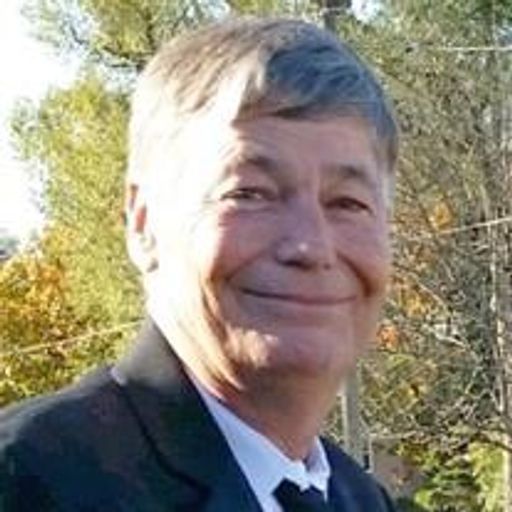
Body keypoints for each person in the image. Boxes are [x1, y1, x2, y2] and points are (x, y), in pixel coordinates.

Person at [0, 16, 398, 511]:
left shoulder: (361, 499)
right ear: (144, 223)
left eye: (347, 203)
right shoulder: (29, 481)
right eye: (250, 193)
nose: (311, 246)